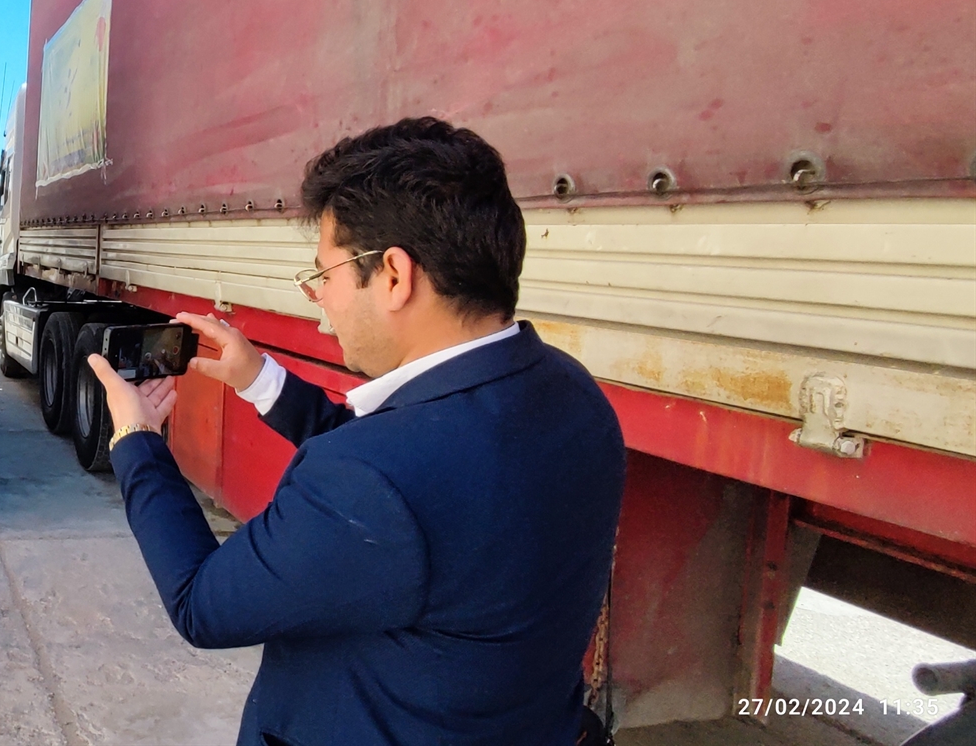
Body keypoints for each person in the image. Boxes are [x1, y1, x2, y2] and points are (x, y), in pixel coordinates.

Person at [87, 117, 626, 746]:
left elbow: (201, 604)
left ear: (394, 275)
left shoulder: (374, 480)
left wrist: (137, 441)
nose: (319, 299)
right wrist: (262, 380)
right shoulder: (570, 393)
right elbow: (413, 468)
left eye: (325, 275)